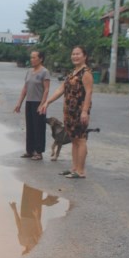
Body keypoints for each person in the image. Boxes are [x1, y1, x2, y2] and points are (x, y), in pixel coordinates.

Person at [44, 46, 93, 178]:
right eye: (73, 54)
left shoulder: (86, 73)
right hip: (69, 111)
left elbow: (88, 93)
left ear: (84, 56)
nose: (75, 56)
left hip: (79, 111)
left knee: (81, 139)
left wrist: (84, 111)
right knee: (73, 139)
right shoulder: (73, 72)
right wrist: (48, 101)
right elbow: (61, 89)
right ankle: (74, 168)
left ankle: (80, 171)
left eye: (78, 54)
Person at [14, 50, 50, 160]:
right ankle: (29, 150)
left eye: (34, 57)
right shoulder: (29, 71)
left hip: (38, 103)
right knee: (30, 127)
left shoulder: (45, 72)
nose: (32, 60)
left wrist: (42, 104)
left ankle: (38, 152)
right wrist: (19, 102)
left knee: (38, 127)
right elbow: (25, 88)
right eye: (31, 57)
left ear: (41, 59)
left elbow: (46, 89)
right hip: (29, 102)